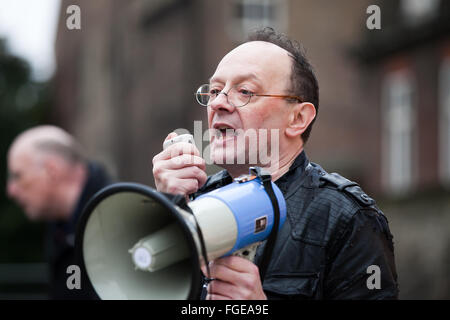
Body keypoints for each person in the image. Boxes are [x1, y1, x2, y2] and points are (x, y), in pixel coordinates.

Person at [152, 28, 398, 299]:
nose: (219, 103)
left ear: (297, 119)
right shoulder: (191, 201)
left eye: (245, 91)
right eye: (214, 91)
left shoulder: (346, 217)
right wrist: (165, 211)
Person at [6, 125, 113, 299]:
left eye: (18, 176)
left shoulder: (121, 217)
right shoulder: (59, 224)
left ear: (51, 171)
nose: (11, 190)